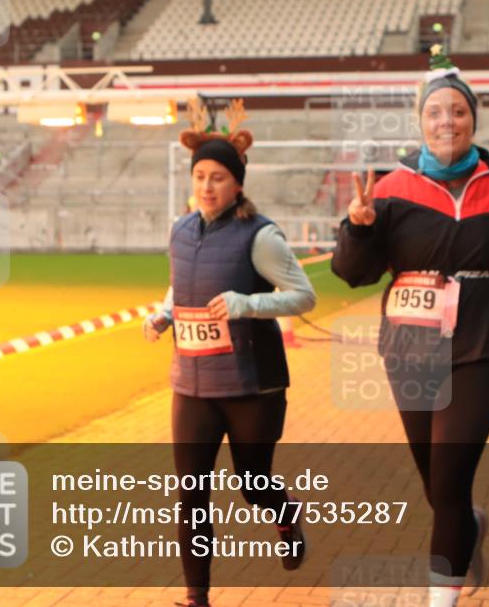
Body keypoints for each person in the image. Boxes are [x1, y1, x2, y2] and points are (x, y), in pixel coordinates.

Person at [331, 45, 489, 607]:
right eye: (435, 112)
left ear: (473, 119)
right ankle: (469, 527)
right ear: (421, 122)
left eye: (458, 111)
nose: (448, 121)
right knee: (436, 484)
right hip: (410, 347)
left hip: (481, 345)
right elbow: (353, 272)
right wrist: (359, 228)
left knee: (448, 476)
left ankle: (439, 598)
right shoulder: (389, 191)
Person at [143, 99, 316, 607]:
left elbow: (304, 295)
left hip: (251, 385)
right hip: (193, 384)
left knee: (253, 481)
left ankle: (284, 516)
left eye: (218, 177)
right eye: (200, 175)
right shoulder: (179, 230)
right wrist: (164, 315)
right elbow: (181, 287)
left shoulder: (260, 236)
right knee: (191, 495)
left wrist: (248, 303)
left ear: (237, 183)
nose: (207, 186)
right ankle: (198, 598)